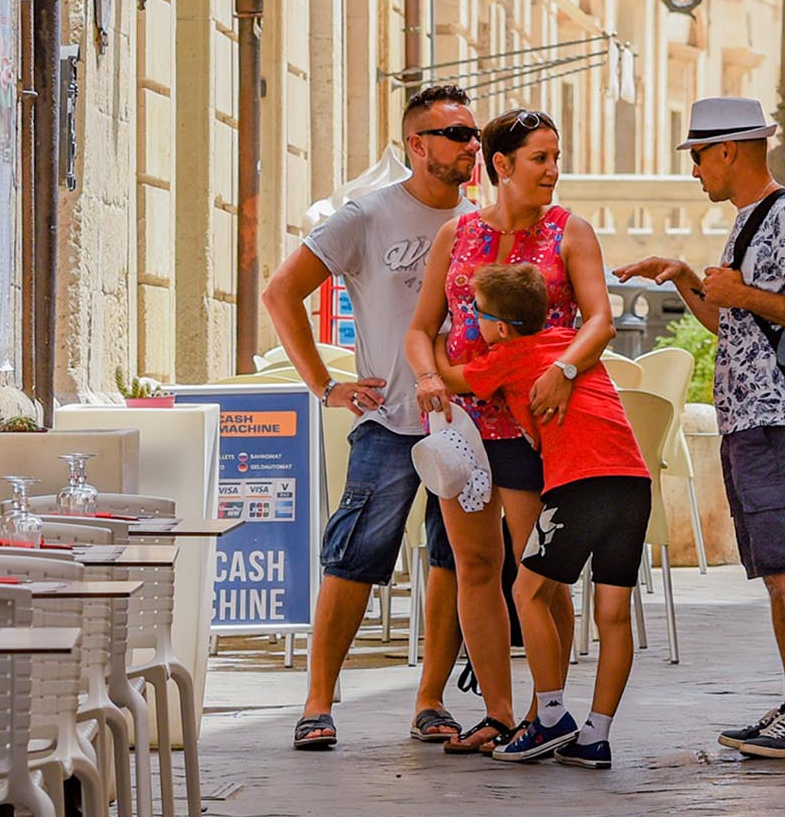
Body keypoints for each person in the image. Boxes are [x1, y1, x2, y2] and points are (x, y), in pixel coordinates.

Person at [619, 97, 785, 760]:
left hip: (778, 418)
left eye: (697, 155)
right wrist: (694, 281)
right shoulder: (751, 222)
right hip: (749, 420)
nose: (694, 170)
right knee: (777, 568)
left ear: (728, 150)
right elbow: (735, 326)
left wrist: (739, 291)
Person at [259, 82, 478, 752]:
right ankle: (317, 702)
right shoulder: (368, 214)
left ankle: (432, 701)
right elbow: (281, 291)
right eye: (456, 134)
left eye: (474, 133)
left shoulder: (480, 223)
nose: (472, 145)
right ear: (417, 144)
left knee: (453, 562)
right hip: (388, 422)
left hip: (464, 427)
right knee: (353, 559)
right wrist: (325, 384)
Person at [401, 108, 569, 756]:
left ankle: (545, 712)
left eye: (555, 157)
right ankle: (499, 713)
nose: (553, 171)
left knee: (540, 572)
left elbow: (595, 320)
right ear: (501, 165)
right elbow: (421, 327)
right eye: (540, 158)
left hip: (533, 427)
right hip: (460, 428)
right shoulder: (457, 234)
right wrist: (428, 376)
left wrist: (565, 367)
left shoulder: (566, 232)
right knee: (474, 565)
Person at [446, 241, 650, 770]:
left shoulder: (505, 357)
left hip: (580, 482)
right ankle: (595, 736)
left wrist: (422, 364)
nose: (474, 320)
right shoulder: (568, 344)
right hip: (632, 482)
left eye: (477, 313)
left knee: (528, 591)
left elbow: (453, 380)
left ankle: (551, 714)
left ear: (501, 327)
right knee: (612, 615)